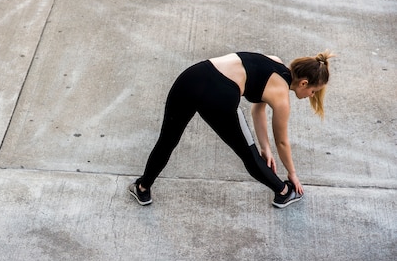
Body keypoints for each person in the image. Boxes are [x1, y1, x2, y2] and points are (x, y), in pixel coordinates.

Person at [128, 51, 335, 208]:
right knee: (248, 153)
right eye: (313, 91)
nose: (311, 95)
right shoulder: (282, 98)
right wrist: (292, 174)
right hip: (219, 94)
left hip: (191, 78)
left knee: (167, 140)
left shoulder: (274, 60)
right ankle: (283, 192)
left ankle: (143, 188)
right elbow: (282, 141)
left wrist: (266, 148)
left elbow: (258, 109)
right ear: (304, 82)